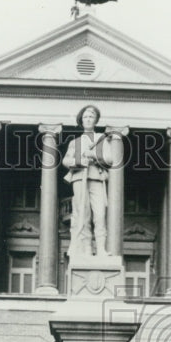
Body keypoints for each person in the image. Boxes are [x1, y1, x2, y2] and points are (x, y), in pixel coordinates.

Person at [63, 104, 109, 257]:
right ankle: (87, 248)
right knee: (83, 214)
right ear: (81, 121)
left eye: (91, 117)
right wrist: (81, 162)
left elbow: (110, 159)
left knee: (100, 214)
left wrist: (94, 156)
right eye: (85, 117)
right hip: (79, 178)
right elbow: (66, 161)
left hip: (96, 178)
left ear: (95, 120)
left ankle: (101, 248)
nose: (88, 120)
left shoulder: (101, 140)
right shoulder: (75, 142)